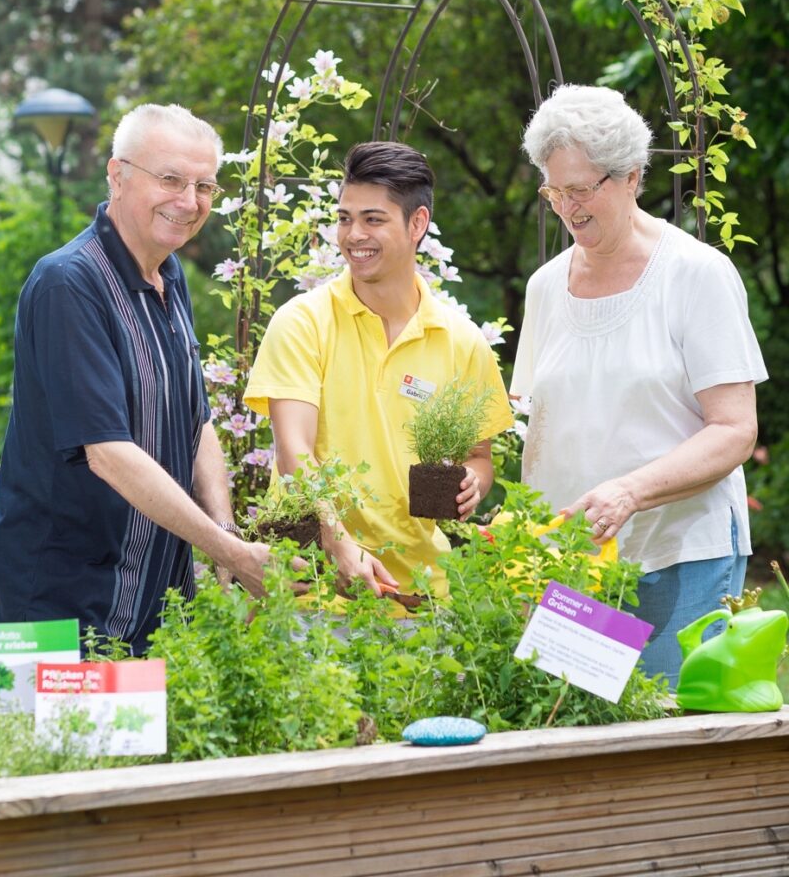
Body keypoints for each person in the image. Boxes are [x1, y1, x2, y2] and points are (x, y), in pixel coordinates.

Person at [0, 103, 271, 653]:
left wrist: (224, 533)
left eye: (204, 185)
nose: (189, 202)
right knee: (51, 740)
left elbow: (196, 420)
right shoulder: (68, 284)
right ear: (117, 175)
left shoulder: (169, 272)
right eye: (170, 179)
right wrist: (231, 554)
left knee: (150, 741)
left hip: (151, 593)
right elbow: (108, 452)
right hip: (61, 598)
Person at [511, 84, 767, 685]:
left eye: (581, 189)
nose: (567, 208)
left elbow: (734, 429)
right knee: (576, 743)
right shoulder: (545, 287)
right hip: (576, 567)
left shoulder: (696, 275)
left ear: (631, 176)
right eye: (554, 190)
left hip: (677, 556)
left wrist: (629, 490)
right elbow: (535, 422)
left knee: (670, 742)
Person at [244, 140, 514, 600]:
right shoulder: (303, 322)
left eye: (373, 220)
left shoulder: (462, 341)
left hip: (420, 594)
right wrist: (338, 542)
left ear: (417, 224)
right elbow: (294, 452)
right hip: (312, 585)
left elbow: (478, 457)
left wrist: (472, 483)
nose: (353, 236)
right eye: (345, 218)